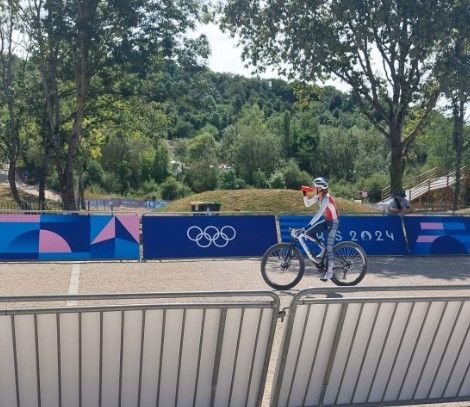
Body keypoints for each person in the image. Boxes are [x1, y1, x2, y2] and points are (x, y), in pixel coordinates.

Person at [302, 176, 339, 282]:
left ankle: (330, 272)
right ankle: (323, 248)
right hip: (327, 220)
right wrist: (304, 193)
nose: (313, 188)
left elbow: (318, 214)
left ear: (320, 188)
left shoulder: (326, 198)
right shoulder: (319, 196)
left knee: (330, 248)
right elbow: (308, 204)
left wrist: (307, 225)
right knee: (308, 233)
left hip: (333, 223)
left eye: (315, 187)